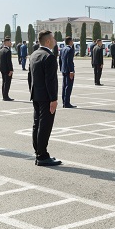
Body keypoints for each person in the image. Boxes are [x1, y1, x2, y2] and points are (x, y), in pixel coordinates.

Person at [28, 30, 62, 166]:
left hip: (36, 95)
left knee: (37, 124)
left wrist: (33, 92)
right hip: (46, 97)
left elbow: (30, 77)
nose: (54, 41)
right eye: (53, 38)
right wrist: (53, 99)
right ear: (48, 41)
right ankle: (42, 156)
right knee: (45, 126)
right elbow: (51, 81)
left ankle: (39, 152)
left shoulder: (34, 54)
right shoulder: (49, 57)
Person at [60, 37, 76, 108]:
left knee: (64, 86)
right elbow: (69, 61)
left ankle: (64, 101)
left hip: (64, 70)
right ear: (70, 41)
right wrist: (71, 71)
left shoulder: (62, 49)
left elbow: (60, 60)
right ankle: (67, 103)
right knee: (68, 86)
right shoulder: (70, 50)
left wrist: (61, 68)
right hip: (69, 71)